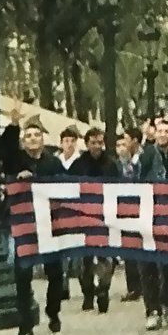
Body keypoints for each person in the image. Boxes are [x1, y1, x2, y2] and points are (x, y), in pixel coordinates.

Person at [0, 106, 66, 335]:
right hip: (23, 224)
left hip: (50, 223)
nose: (33, 139)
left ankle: (53, 310)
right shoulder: (16, 160)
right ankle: (25, 326)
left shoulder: (53, 162)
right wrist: (13, 125)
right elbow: (2, 151)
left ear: (43, 138)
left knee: (55, 272)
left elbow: (66, 187)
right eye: (28, 135)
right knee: (22, 274)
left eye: (36, 135)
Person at [116, 126, 168, 329]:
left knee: (166, 265)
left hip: (158, 216)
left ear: (135, 141)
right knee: (145, 265)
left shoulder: (150, 155)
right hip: (137, 219)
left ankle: (166, 302)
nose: (122, 145)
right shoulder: (121, 163)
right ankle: (152, 309)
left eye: (126, 140)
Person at [68, 128, 120, 313]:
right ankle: (88, 292)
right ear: (87, 143)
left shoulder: (112, 165)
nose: (97, 146)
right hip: (82, 217)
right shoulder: (78, 165)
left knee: (107, 256)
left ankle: (103, 289)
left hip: (105, 216)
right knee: (83, 259)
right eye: (93, 142)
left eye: (100, 142)